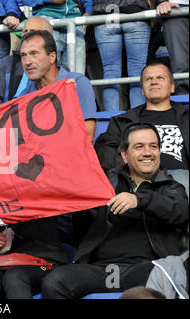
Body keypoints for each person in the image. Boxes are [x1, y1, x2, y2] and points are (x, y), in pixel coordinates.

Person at [41, 123, 188, 299]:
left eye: (153, 146)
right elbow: (76, 226)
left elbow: (179, 211)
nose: (148, 152)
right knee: (55, 281)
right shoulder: (103, 183)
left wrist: (139, 199)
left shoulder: (172, 187)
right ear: (124, 155)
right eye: (139, 147)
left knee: (163, 279)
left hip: (148, 268)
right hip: (101, 270)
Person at [95, 61, 189, 197]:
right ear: (142, 90)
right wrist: (134, 170)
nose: (154, 82)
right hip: (137, 179)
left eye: (160, 78)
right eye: (148, 79)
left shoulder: (186, 117)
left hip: (179, 178)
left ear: (172, 87)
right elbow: (105, 153)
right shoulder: (123, 121)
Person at [19, 30, 97, 141]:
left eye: (34, 53)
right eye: (23, 55)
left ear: (52, 57)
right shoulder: (24, 96)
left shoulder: (79, 83)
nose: (27, 62)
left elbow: (88, 136)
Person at [91, 0, 151, 111]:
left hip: (104, 13)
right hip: (135, 11)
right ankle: (138, 119)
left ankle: (111, 120)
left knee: (110, 71)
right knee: (138, 70)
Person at [0, 16, 53, 107]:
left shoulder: (59, 69)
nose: (27, 35)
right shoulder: (5, 64)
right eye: (25, 31)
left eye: (33, 32)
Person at [19, 0, 91, 75]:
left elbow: (88, 2)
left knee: (77, 73)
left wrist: (88, 11)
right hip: (47, 20)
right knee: (47, 71)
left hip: (74, 21)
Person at [155, 0, 189, 94]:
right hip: (175, 8)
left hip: (175, 9)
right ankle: (185, 103)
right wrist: (162, 1)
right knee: (181, 66)